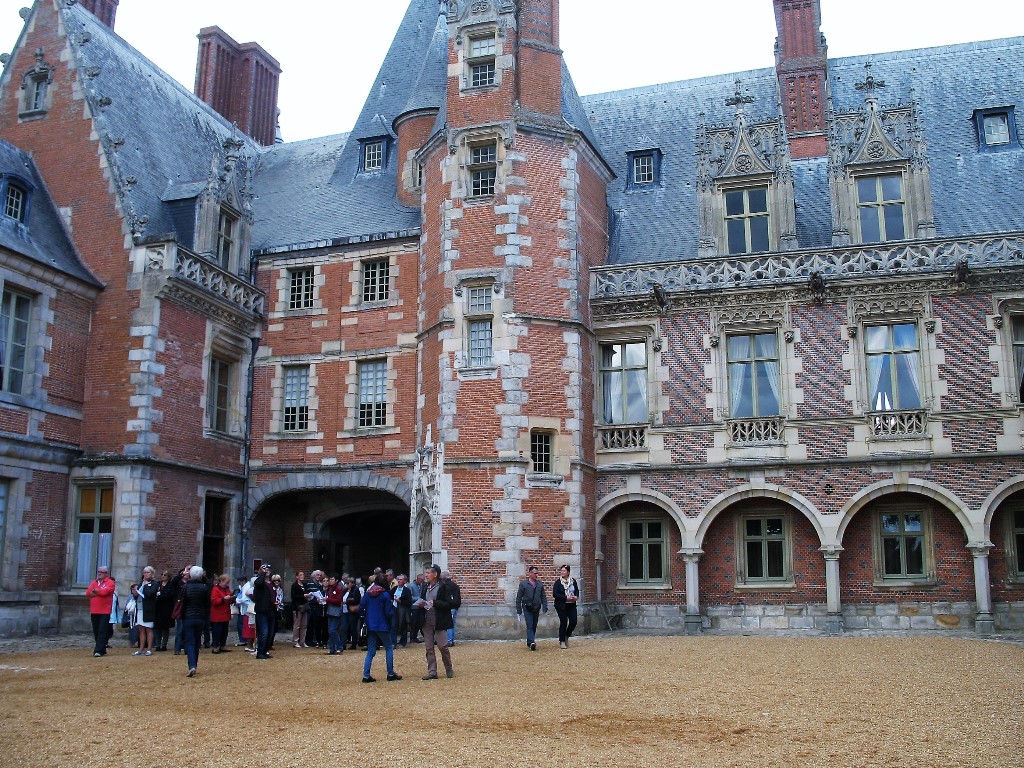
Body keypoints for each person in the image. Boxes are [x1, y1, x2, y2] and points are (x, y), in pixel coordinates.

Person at [359, 575, 401, 682]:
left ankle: (366, 675)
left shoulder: (368, 594)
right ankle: (390, 673)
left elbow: (361, 608)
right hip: (382, 624)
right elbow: (388, 612)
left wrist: (366, 617)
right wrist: (393, 611)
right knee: (388, 647)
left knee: (370, 651)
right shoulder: (385, 595)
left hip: (370, 624)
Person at [419, 564, 455, 680]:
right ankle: (432, 671)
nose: (426, 575)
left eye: (428, 573)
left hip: (439, 619)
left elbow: (450, 604)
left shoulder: (443, 587)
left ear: (435, 575)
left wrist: (436, 603)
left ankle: (448, 667)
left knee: (442, 646)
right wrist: (421, 604)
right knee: (429, 647)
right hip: (426, 620)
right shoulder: (425, 587)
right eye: (426, 573)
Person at [179, 565, 211, 677]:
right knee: (197, 642)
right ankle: (194, 665)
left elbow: (182, 602)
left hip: (188, 617)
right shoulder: (204, 588)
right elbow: (208, 604)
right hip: (200, 617)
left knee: (190, 641)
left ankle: (191, 665)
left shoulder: (186, 587)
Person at [85, 565, 116, 657]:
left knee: (102, 630)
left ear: (106, 573)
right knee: (96, 630)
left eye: (101, 572)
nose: (99, 573)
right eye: (98, 571)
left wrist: (96, 591)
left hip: (105, 610)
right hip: (94, 610)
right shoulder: (94, 582)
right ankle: (102, 648)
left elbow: (106, 592)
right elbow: (88, 593)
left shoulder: (110, 582)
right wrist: (98, 591)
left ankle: (97, 650)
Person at [515, 565, 547, 651]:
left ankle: (529, 641)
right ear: (530, 573)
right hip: (527, 607)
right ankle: (532, 642)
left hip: (536, 607)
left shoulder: (539, 584)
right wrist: (519, 611)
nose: (536, 575)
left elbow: (543, 596)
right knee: (529, 624)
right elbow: (519, 598)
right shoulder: (524, 584)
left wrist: (545, 606)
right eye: (535, 573)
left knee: (534, 625)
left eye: (537, 573)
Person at [132, 566, 158, 656]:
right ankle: (141, 648)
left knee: (149, 629)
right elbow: (137, 594)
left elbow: (150, 593)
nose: (145, 574)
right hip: (140, 608)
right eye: (144, 572)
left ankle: (149, 648)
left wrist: (146, 585)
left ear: (152, 574)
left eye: (148, 572)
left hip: (149, 609)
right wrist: (135, 593)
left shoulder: (154, 583)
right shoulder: (141, 583)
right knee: (141, 629)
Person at [552, 564, 579, 649]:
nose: (562, 572)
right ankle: (562, 641)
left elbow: (577, 591)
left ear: (568, 572)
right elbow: (555, 594)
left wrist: (575, 597)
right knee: (563, 622)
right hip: (561, 605)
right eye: (561, 571)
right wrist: (565, 597)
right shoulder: (558, 582)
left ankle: (567, 635)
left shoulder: (573, 581)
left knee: (573, 621)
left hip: (571, 604)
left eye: (564, 571)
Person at [252, 563, 276, 659]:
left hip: (271, 610)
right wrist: (261, 573)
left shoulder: (271, 583)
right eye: (265, 570)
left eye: (268, 570)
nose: (267, 571)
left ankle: (265, 651)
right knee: (264, 632)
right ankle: (260, 652)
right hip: (262, 610)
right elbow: (258, 583)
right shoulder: (260, 582)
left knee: (270, 632)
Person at [210, 573, 235, 653]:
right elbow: (214, 601)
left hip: (225, 613)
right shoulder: (215, 589)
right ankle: (215, 646)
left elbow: (229, 597)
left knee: (224, 631)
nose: (227, 584)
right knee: (217, 631)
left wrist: (232, 598)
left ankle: (222, 645)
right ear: (221, 581)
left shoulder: (227, 589)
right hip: (217, 615)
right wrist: (223, 599)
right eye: (226, 582)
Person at [153, 569, 176, 651]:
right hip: (158, 609)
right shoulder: (158, 584)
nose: (162, 576)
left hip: (166, 609)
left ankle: (164, 645)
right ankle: (157, 644)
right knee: (158, 628)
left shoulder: (170, 585)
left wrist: (160, 596)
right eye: (162, 574)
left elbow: (170, 595)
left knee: (165, 628)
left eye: (165, 575)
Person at [324, 574, 345, 655]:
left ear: (336, 580)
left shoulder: (339, 588)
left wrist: (328, 599)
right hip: (330, 610)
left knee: (333, 630)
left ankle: (340, 646)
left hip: (336, 611)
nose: (330, 581)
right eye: (330, 579)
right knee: (330, 631)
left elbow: (338, 601)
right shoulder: (330, 588)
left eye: (332, 579)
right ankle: (332, 648)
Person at [391, 573, 413, 648]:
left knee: (403, 625)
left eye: (401, 579)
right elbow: (389, 596)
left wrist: (400, 601)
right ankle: (393, 642)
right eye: (398, 579)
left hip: (403, 610)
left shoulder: (407, 590)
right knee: (393, 625)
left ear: (404, 581)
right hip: (394, 609)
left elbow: (409, 601)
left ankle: (403, 641)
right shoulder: (394, 589)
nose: (399, 581)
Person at [442, 570, 462, 646]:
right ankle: (451, 640)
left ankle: (449, 641)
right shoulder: (455, 585)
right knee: (452, 624)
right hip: (455, 606)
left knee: (449, 624)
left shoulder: (445, 585)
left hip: (450, 606)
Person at [290, 570, 309, 648]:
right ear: (297, 576)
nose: (302, 576)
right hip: (297, 607)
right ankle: (295, 641)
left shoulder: (305, 585)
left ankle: (302, 641)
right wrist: (303, 596)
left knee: (304, 625)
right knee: (297, 625)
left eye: (303, 575)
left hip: (304, 606)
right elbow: (293, 597)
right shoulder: (294, 585)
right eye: (300, 575)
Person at [408, 573, 426, 643]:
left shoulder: (421, 585)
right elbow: (410, 597)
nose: (422, 582)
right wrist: (418, 598)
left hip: (420, 607)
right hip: (414, 607)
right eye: (421, 580)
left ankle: (415, 637)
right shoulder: (411, 586)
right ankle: (412, 637)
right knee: (413, 622)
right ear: (418, 579)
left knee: (419, 623)